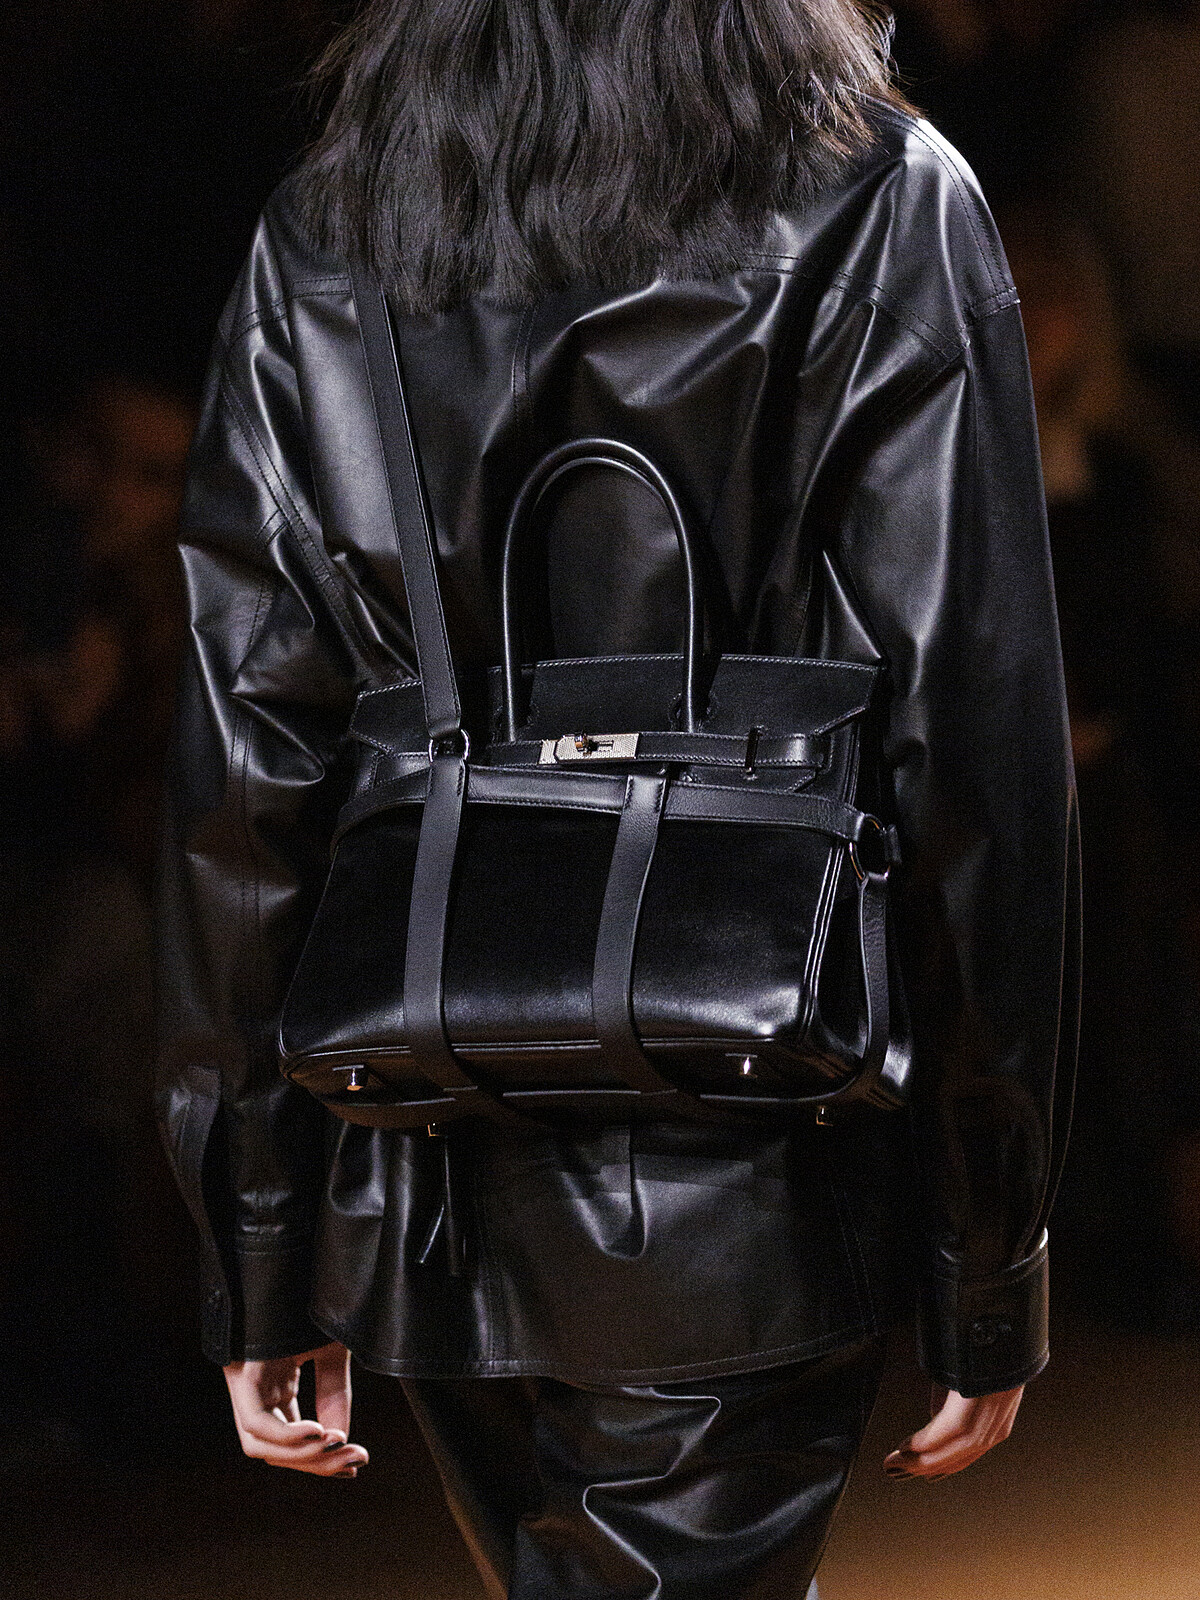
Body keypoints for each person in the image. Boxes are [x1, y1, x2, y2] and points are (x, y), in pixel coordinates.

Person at [156, 3, 1078, 1595]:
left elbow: (248, 765)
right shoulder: (877, 199)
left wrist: (261, 1240)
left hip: (429, 1163)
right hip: (752, 1155)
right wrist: (988, 1246)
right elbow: (973, 751)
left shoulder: (333, 226)